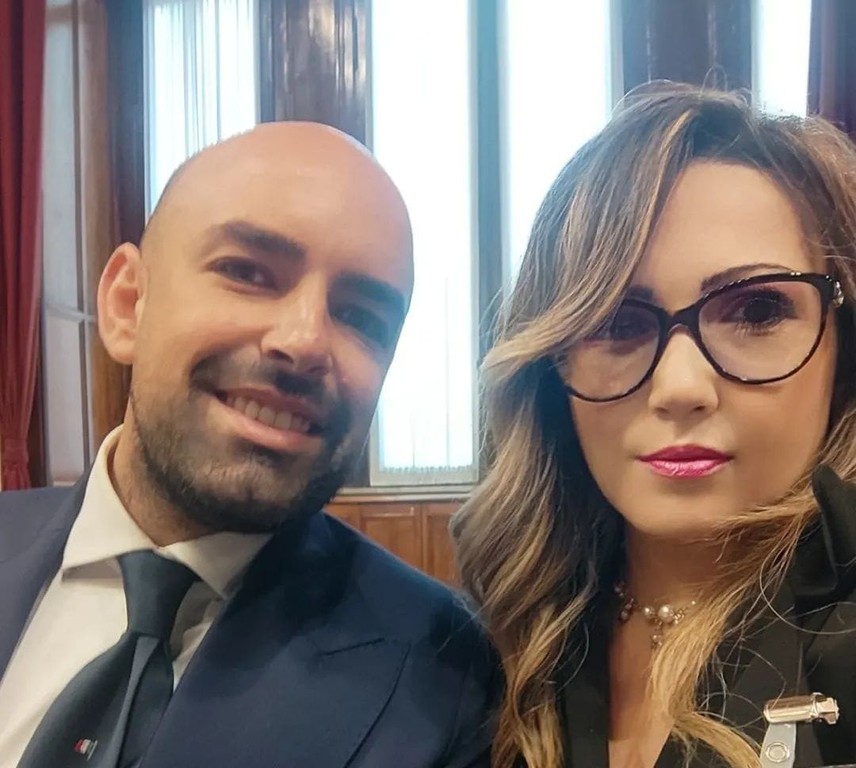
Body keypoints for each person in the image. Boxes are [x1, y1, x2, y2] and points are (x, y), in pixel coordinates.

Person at [0, 122, 496, 768]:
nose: (304, 340)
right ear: (127, 304)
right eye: (248, 273)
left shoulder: (447, 677)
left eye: (360, 317)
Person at [452, 85, 856, 768]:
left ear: (842, 345)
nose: (679, 389)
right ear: (551, 367)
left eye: (757, 312)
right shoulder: (508, 645)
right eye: (615, 322)